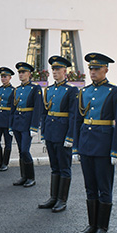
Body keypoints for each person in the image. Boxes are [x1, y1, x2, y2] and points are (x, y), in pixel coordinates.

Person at [73, 53, 117, 233]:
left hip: (104, 146)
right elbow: (77, 120)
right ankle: (92, 225)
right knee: (90, 187)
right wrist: (76, 147)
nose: (93, 72)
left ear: (106, 69)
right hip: (86, 144)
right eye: (91, 69)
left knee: (104, 187)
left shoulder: (115, 91)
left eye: (97, 69)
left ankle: (102, 227)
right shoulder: (84, 92)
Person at [38, 56, 78, 213]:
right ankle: (53, 197)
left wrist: (70, 136)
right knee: (54, 167)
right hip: (50, 131)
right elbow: (44, 113)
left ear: (65, 71)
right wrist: (43, 133)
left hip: (62, 133)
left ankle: (62, 199)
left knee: (64, 167)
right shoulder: (48, 90)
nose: (55, 72)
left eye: (58, 69)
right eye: (53, 69)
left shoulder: (71, 90)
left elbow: (73, 115)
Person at [10, 62, 42, 187]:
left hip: (27, 123)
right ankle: (23, 176)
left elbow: (38, 108)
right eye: (19, 72)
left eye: (23, 72)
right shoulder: (17, 90)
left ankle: (31, 177)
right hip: (17, 122)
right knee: (20, 151)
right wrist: (11, 125)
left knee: (25, 150)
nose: (21, 74)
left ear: (29, 74)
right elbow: (13, 108)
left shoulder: (35, 88)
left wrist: (34, 126)